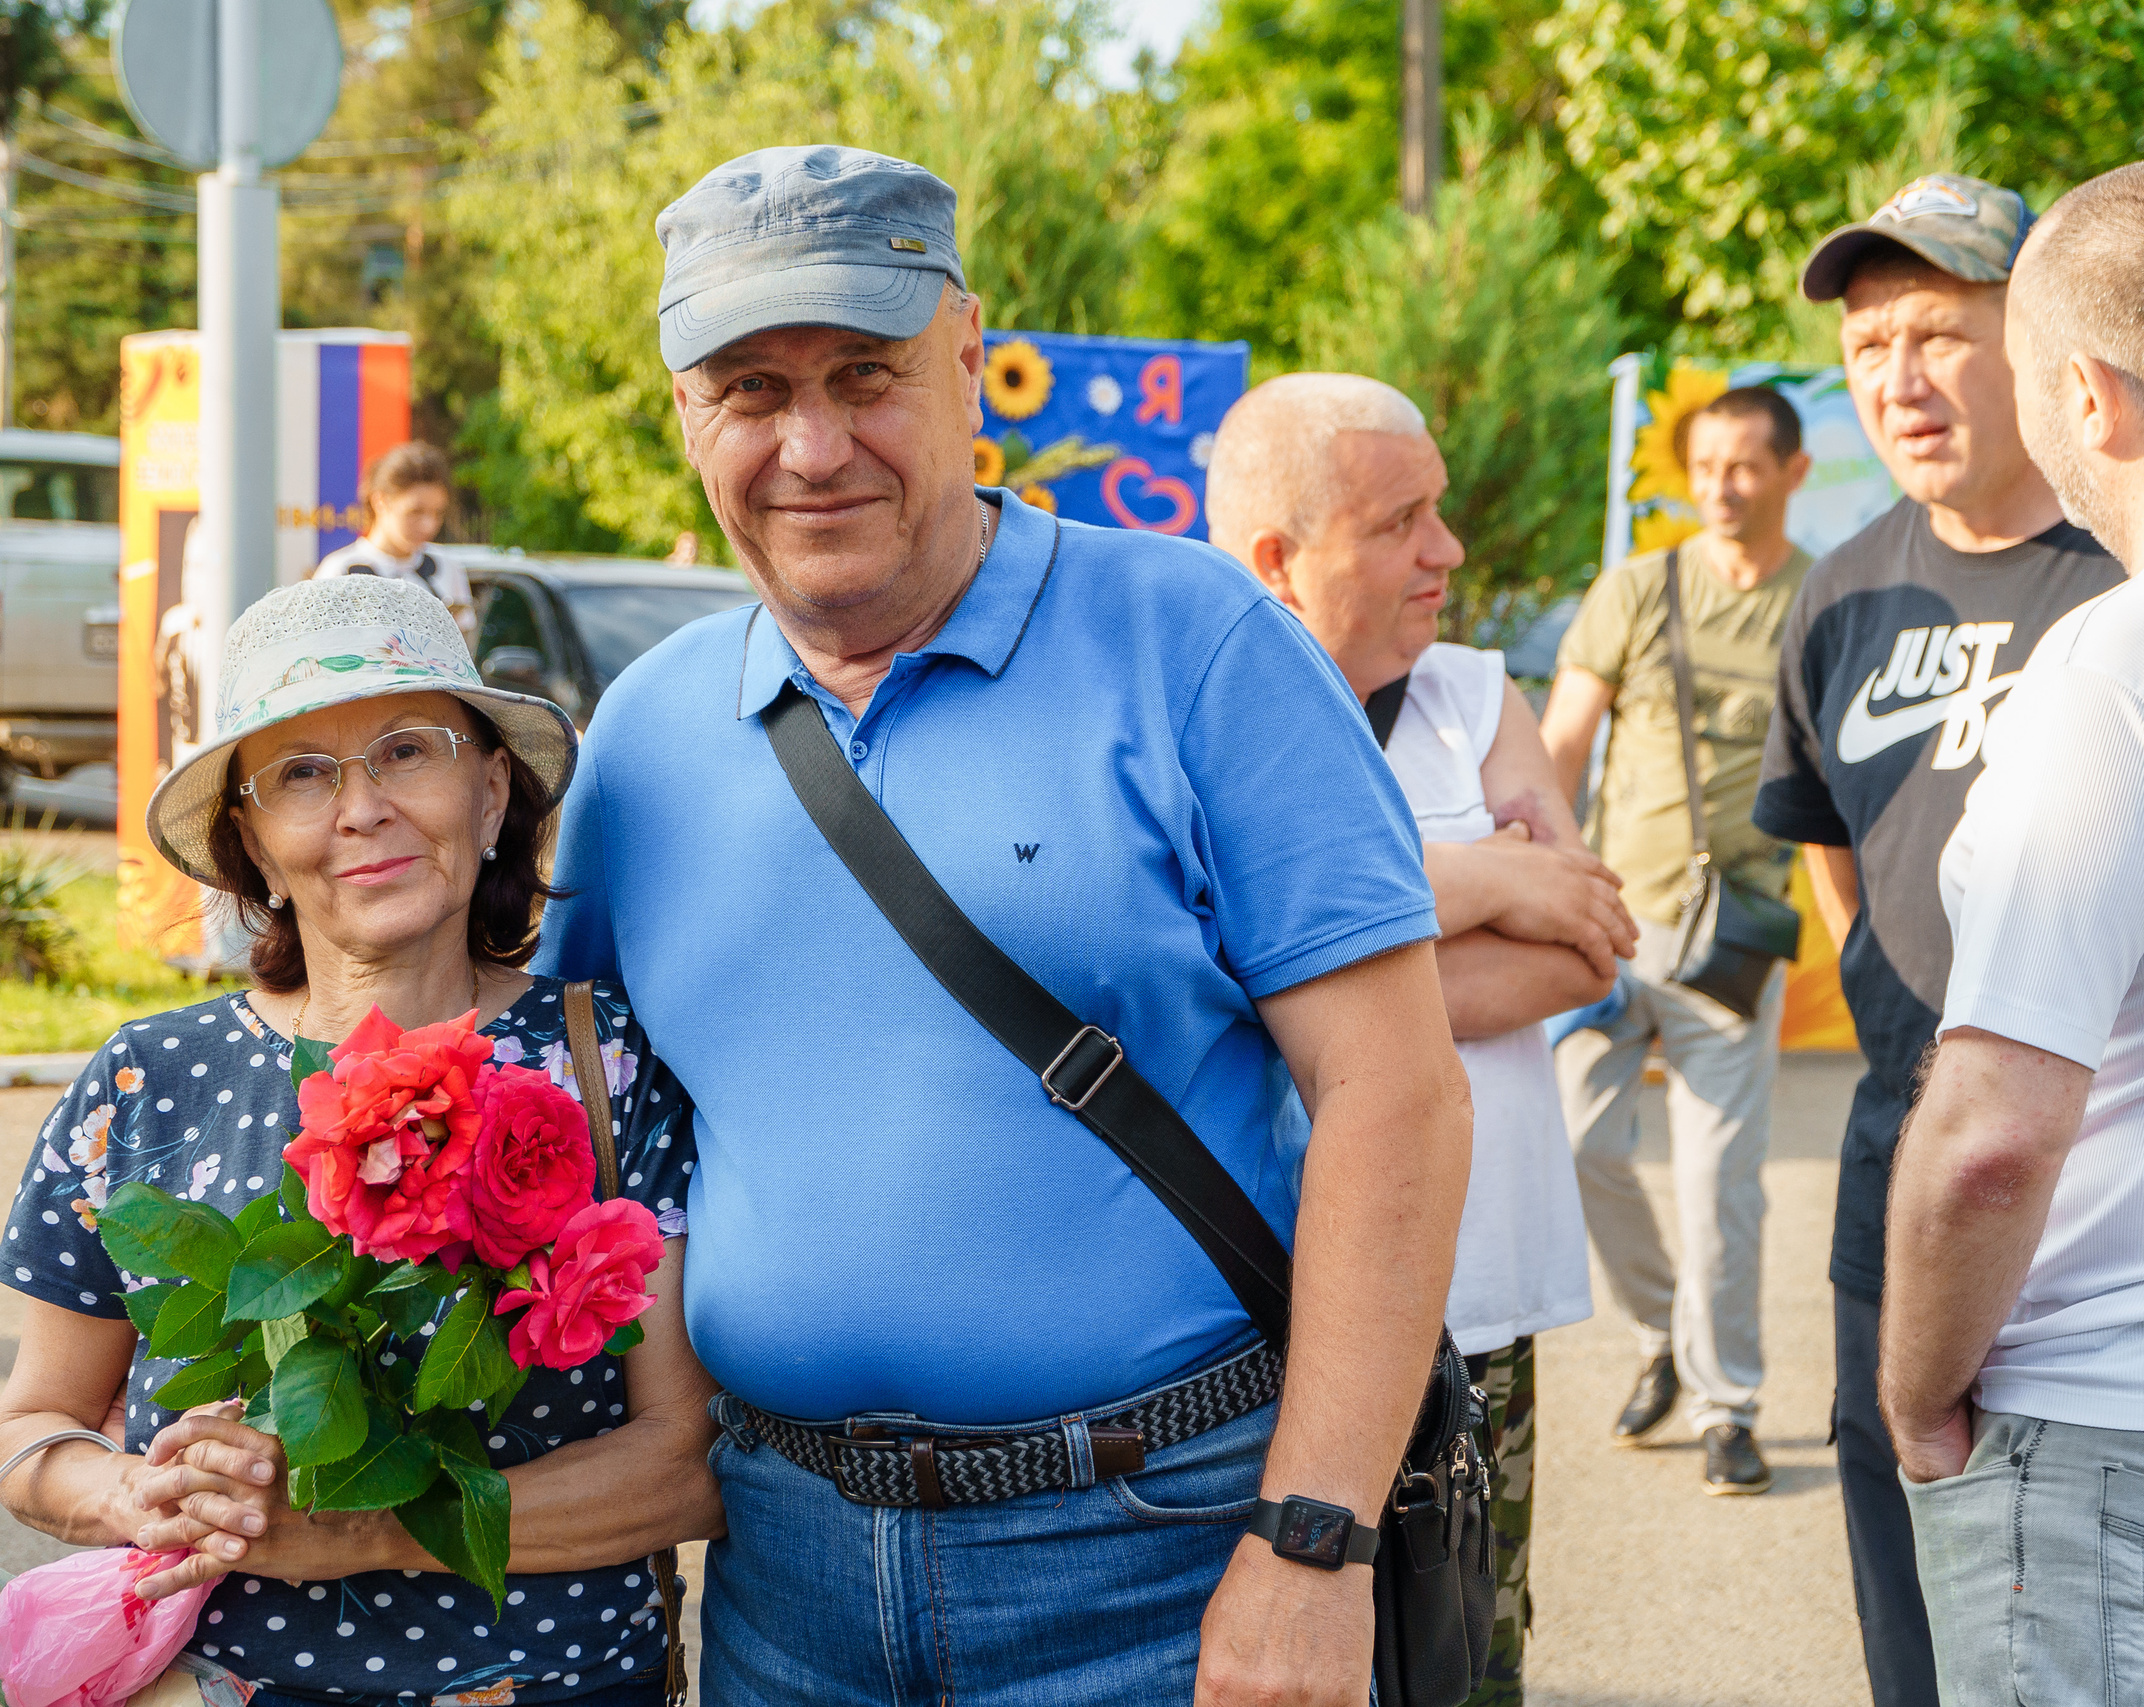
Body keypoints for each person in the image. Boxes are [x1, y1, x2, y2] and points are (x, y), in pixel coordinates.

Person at [537, 145, 1471, 1706]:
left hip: (1169, 1556)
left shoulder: (1199, 643)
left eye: (867, 374)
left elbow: (1399, 1098)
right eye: (751, 391)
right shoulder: (642, 738)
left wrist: (1312, 1545)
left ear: (972, 356)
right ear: (684, 417)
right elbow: (580, 1129)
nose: (813, 445)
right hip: (785, 1578)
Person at [0, 574, 720, 1704]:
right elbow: (35, 1428)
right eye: (302, 776)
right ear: (255, 849)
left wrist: (371, 1532)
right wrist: (136, 1494)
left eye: (407, 751)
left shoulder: (607, 1064)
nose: (360, 808)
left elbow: (688, 1464)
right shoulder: (146, 1082)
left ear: (490, 794)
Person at [1752, 173, 2125, 1707]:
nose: (1896, 379)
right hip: (1896, 1162)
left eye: (1938, 332)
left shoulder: (2131, 579)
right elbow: (1835, 856)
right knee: (1902, 1548)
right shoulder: (1836, 597)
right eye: (1866, 345)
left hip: (2114, 1180)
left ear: (2033, 341)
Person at [1205, 371, 1616, 1707]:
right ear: (1280, 556)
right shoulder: (1202, 701)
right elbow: (1210, 948)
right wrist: (1483, 876)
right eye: (1403, 521)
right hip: (1265, 1319)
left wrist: (1304, 950)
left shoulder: (1472, 695)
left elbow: (1580, 945)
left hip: (1479, 1301)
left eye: (1439, 511)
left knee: (1466, 1642)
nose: (1447, 551)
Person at [1878, 158, 2144, 1707]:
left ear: (2086, 392)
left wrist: (1915, 1384)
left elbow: (1994, 1132)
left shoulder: (2120, 660)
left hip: (2120, 1433)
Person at [1536, 384, 1815, 1494]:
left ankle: (1723, 1403)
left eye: (1746, 464)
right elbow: (1560, 743)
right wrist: (1547, 877)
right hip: (1607, 924)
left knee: (1718, 1185)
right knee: (1578, 1147)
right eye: (1705, 465)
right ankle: (1660, 1331)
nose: (1721, 485)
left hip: (1732, 944)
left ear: (1791, 472)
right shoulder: (1638, 588)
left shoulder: (1819, 599)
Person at [312, 440, 479, 646]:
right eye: (415, 512)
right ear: (380, 501)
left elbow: (462, 652)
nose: (428, 526)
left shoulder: (446, 566)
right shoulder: (339, 570)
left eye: (437, 513)